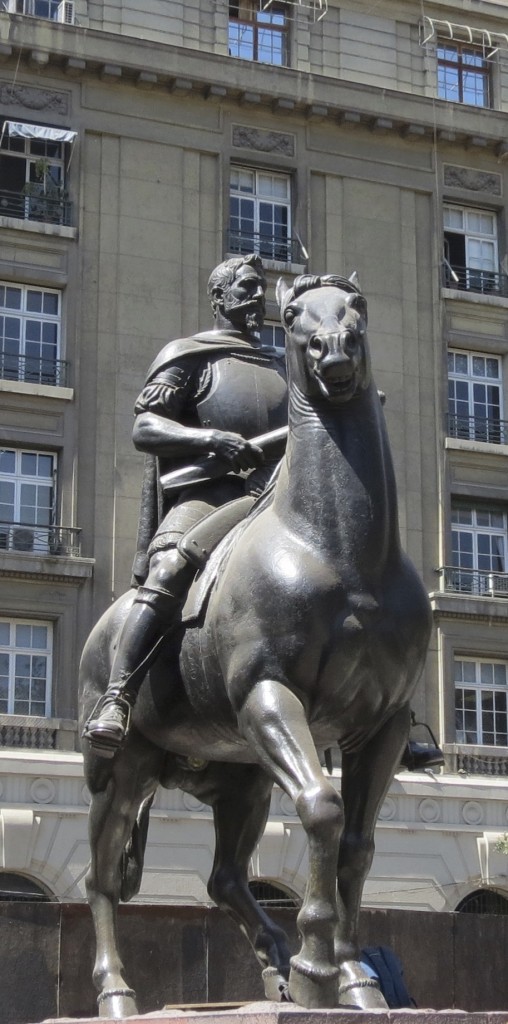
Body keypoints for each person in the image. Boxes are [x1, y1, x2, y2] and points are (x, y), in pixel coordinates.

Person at [83, 253, 288, 755]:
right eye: (245, 286)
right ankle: (118, 695)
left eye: (260, 287)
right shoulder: (191, 355)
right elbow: (146, 427)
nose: (257, 296)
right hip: (212, 497)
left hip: (276, 500)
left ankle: (390, 720)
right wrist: (211, 439)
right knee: (172, 568)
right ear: (219, 297)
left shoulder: (286, 366)